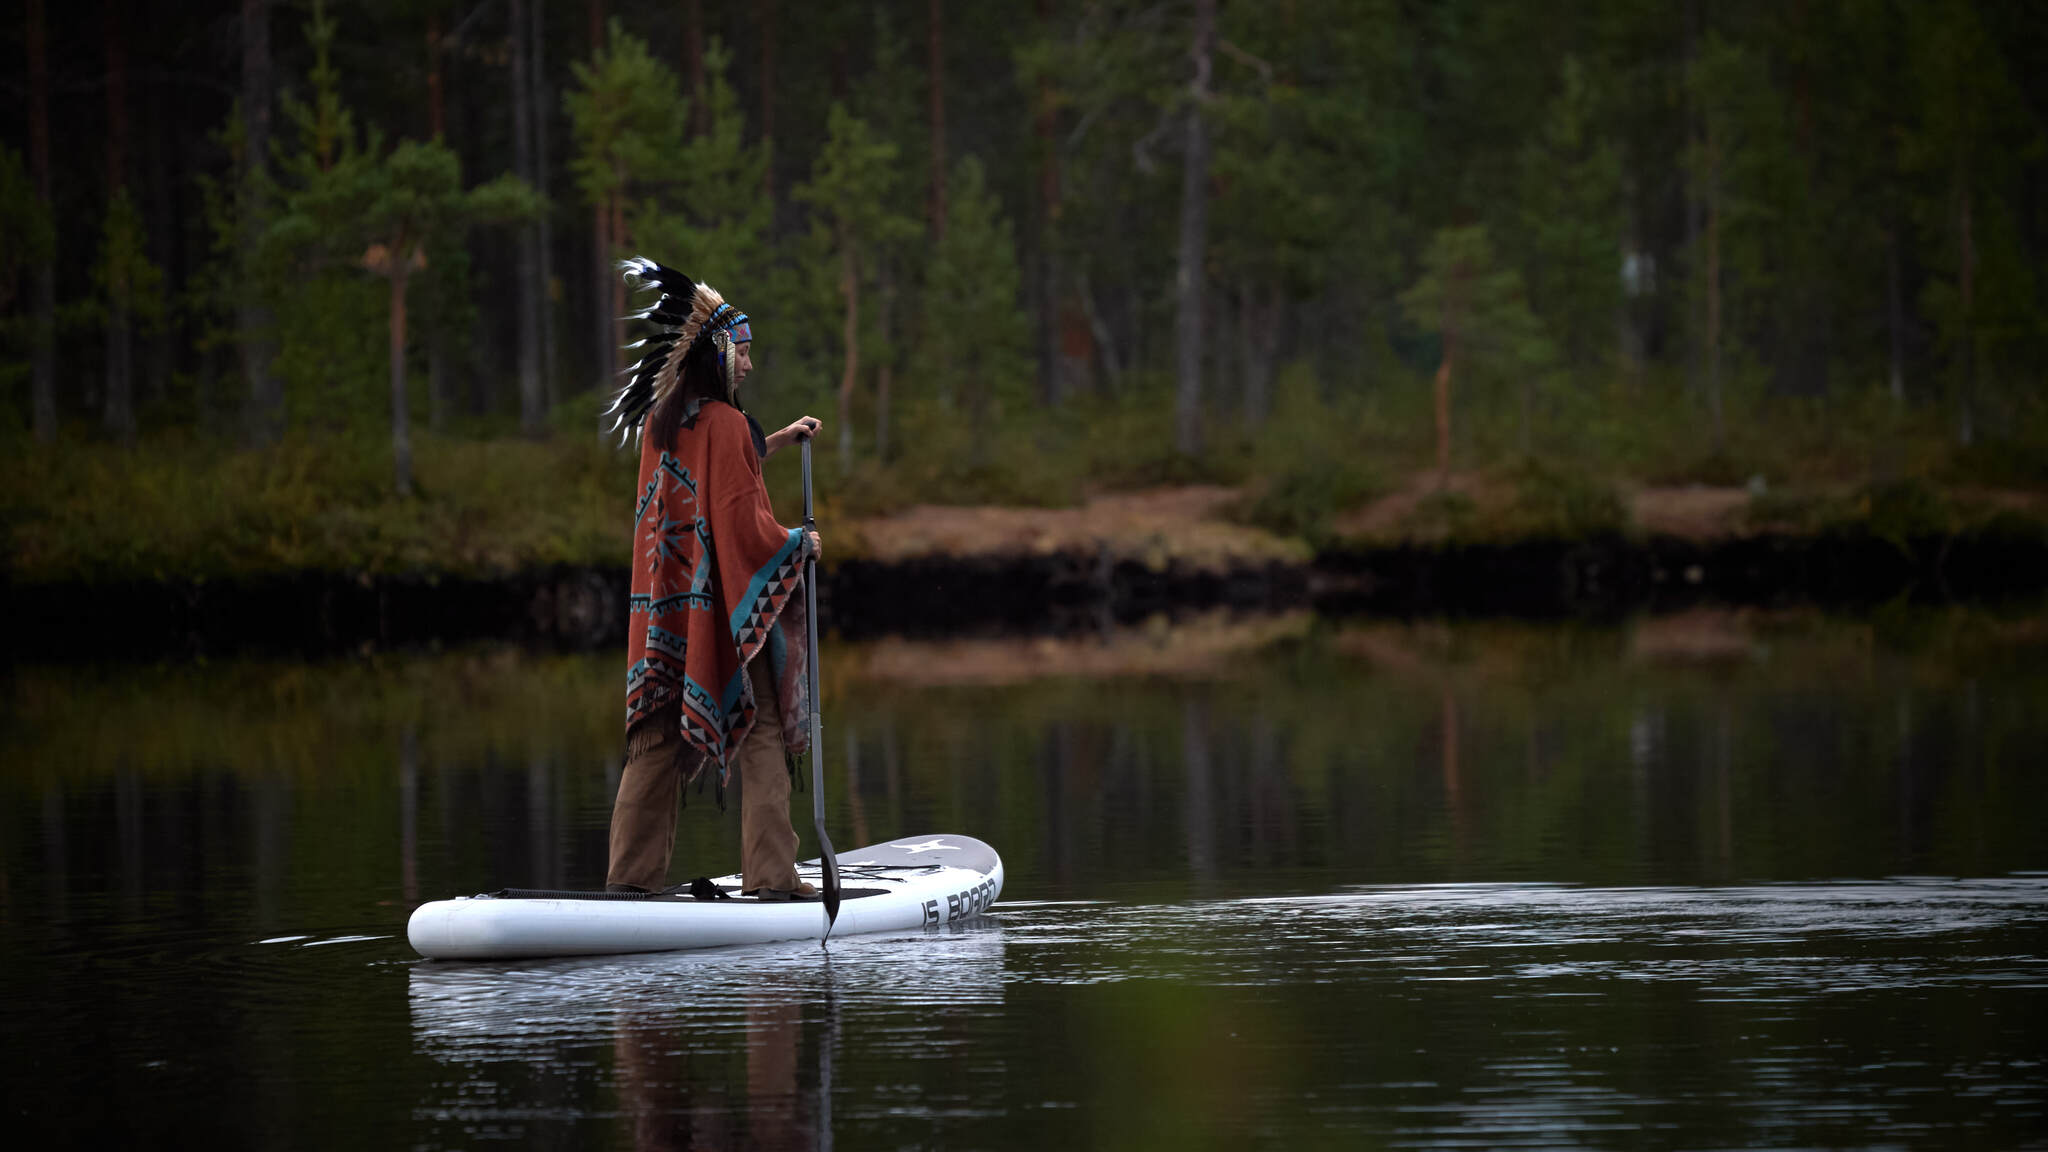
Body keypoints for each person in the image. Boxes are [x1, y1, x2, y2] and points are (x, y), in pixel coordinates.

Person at [602, 257, 824, 899]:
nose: (749, 364)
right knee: (762, 730)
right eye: (743, 351)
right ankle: (773, 879)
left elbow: (714, 476)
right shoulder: (724, 424)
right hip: (724, 619)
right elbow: (741, 523)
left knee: (656, 739)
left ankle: (629, 885)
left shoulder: (662, 425)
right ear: (716, 352)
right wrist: (798, 545)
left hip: (664, 616)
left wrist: (777, 439)